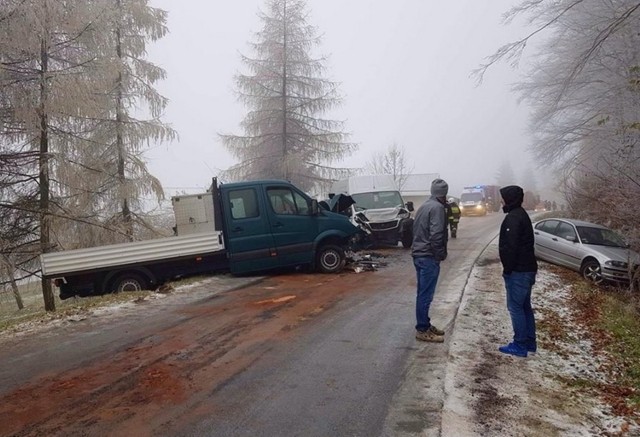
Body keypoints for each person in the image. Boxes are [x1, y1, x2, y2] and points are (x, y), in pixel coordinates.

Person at [498, 185, 538, 357]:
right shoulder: (521, 214)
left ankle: (520, 344)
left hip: (519, 271)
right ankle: (530, 342)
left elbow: (511, 247)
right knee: (524, 306)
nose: (500, 201)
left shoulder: (514, 218)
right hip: (527, 268)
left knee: (515, 307)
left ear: (509, 199)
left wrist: (507, 269)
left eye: (503, 198)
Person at [412, 178, 449, 342]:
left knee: (422, 293)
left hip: (418, 254)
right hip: (428, 256)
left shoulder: (424, 206)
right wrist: (439, 253)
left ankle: (425, 324)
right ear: (444, 194)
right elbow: (436, 234)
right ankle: (422, 329)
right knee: (426, 295)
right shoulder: (438, 208)